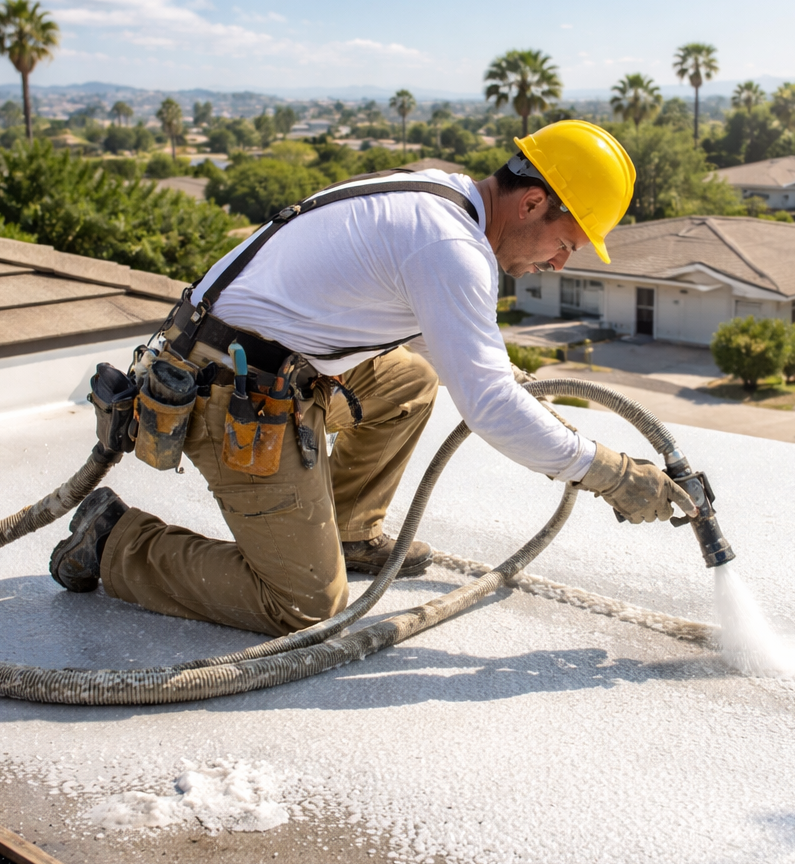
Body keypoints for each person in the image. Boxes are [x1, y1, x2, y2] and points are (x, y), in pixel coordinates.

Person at [48, 120, 694, 636]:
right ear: (532, 203)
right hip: (230, 395)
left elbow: (415, 325)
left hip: (265, 364)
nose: (557, 262)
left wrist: (500, 374)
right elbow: (489, 407)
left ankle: (351, 530)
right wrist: (612, 475)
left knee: (407, 382)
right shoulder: (452, 248)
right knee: (303, 608)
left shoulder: (436, 196)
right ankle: (113, 542)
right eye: (568, 243)